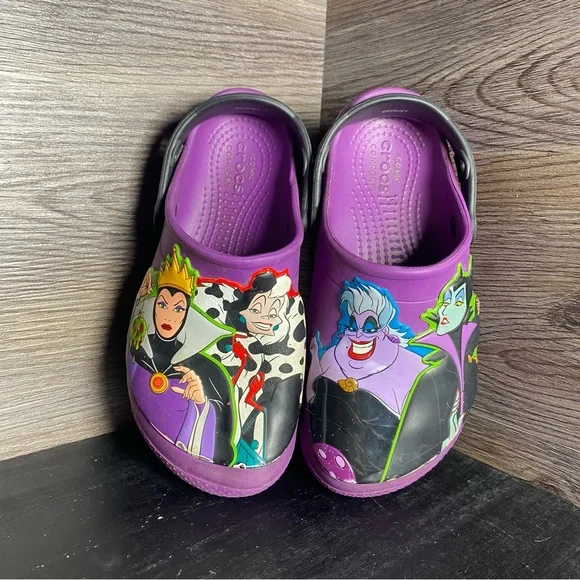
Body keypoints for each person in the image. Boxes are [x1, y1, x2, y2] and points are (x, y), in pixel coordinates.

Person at [127, 244, 235, 465]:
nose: (168, 316)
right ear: (154, 305)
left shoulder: (210, 371)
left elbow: (223, 432)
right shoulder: (141, 346)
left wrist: (202, 404)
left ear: (187, 314)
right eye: (162, 304)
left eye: (178, 309)